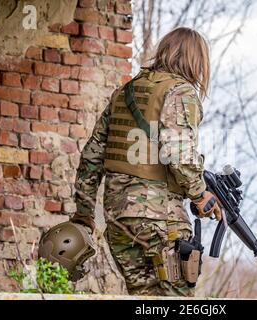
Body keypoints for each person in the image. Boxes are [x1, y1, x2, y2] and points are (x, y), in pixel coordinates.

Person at [70, 27, 222, 297]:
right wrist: (200, 195)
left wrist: (84, 214)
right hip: (160, 219)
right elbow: (179, 152)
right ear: (196, 61)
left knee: (145, 300)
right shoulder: (180, 91)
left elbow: (91, 157)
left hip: (118, 221)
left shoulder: (124, 93)